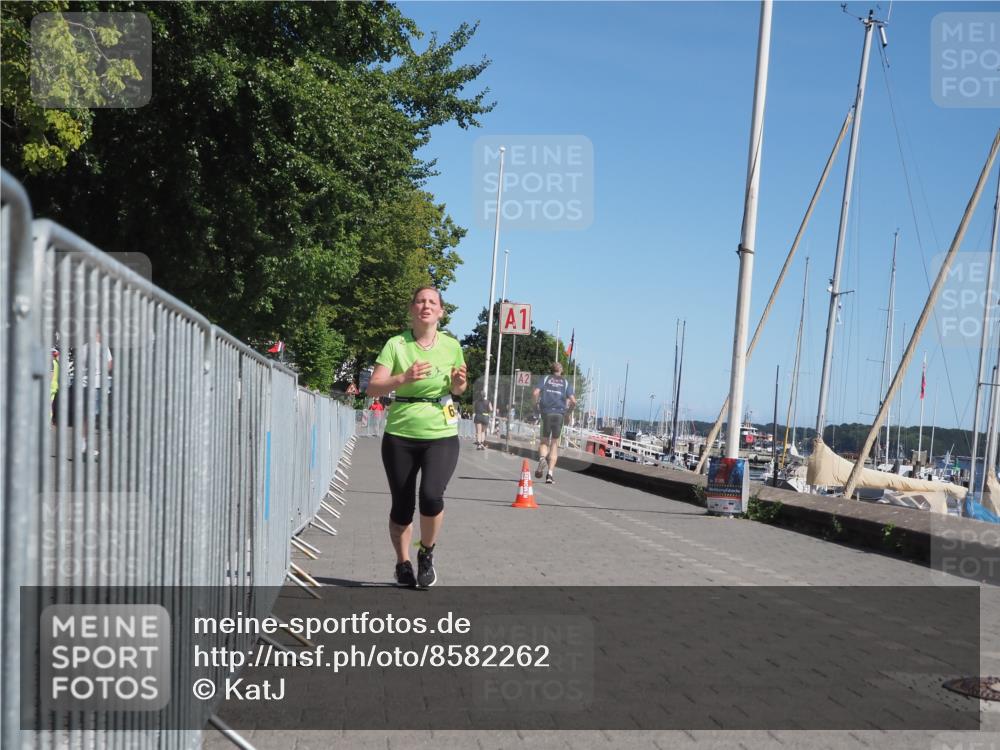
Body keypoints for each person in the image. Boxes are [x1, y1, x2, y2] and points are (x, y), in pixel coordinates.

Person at [366, 286, 467, 588]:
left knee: (432, 495)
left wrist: (460, 384)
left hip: (442, 431)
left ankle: (426, 552)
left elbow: (458, 388)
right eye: (420, 301)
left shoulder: (452, 346)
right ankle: (402, 562)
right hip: (401, 433)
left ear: (440, 312)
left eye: (432, 302)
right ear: (412, 310)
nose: (426, 305)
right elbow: (373, 388)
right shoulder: (396, 345)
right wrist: (403, 378)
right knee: (402, 506)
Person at [532, 361, 576, 484]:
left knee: (544, 441)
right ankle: (550, 475)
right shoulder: (566, 383)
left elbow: (535, 393)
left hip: (546, 413)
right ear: (561, 371)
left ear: (551, 370)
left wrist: (536, 406)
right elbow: (573, 401)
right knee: (555, 444)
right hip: (559, 414)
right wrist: (568, 413)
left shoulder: (545, 379)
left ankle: (542, 459)